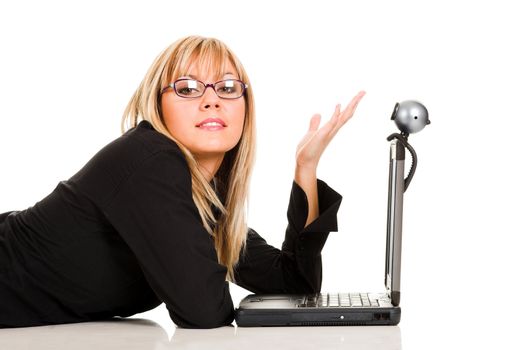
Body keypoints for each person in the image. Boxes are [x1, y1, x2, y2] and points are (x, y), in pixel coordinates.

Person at [0, 35, 365, 329]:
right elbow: (204, 311)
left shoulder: (200, 203)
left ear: (245, 106)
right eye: (188, 88)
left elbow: (295, 286)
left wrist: (306, 167)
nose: (211, 100)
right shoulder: (149, 159)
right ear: (158, 106)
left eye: (227, 87)